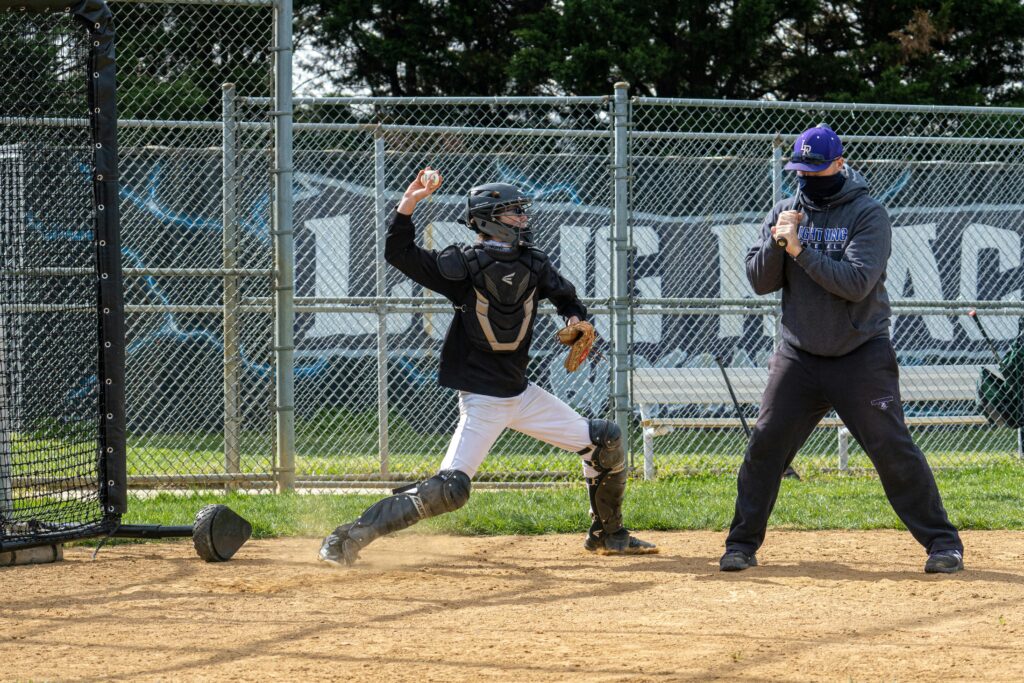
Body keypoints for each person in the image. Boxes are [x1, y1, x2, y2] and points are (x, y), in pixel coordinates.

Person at [318, 169, 657, 566]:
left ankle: (608, 535)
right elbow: (400, 254)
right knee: (451, 490)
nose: (523, 220)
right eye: (514, 213)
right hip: (484, 399)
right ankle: (345, 539)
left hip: (521, 394)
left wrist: (574, 320)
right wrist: (407, 206)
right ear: (488, 219)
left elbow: (567, 298)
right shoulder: (463, 264)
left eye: (521, 213)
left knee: (605, 441)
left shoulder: (534, 263)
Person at [720, 125, 964, 574]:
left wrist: (799, 252)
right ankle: (740, 545)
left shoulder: (868, 213)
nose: (807, 178)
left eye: (816, 169)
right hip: (799, 353)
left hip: (860, 352)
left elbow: (855, 283)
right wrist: (779, 241)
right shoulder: (786, 210)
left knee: (891, 448)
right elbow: (760, 282)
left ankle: (943, 544)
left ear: (838, 164)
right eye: (800, 170)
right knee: (766, 446)